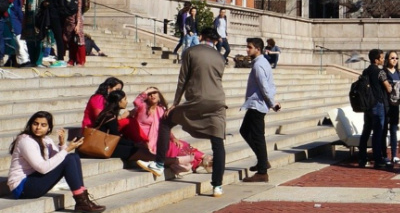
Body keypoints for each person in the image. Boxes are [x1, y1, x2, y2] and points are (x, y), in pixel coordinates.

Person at [138, 28, 228, 197]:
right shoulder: (220, 57)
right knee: (218, 142)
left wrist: (175, 103)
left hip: (197, 100)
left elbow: (183, 79)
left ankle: (158, 163)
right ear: (215, 40)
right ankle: (217, 185)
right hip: (217, 102)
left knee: (166, 121)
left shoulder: (191, 51)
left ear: (200, 36)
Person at [6, 111, 105, 212]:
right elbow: (43, 168)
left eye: (43, 125)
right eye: (35, 124)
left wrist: (62, 144)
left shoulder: (46, 139)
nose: (38, 127)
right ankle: (82, 201)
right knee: (69, 157)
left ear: (49, 128)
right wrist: (67, 149)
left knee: (73, 156)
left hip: (34, 179)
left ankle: (83, 200)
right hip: (22, 188)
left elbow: (58, 161)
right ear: (30, 124)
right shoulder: (25, 141)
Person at [241, 38, 280, 182]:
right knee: (245, 131)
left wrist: (272, 103)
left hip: (257, 104)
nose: (247, 49)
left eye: (249, 47)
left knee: (257, 136)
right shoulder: (262, 63)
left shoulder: (258, 66)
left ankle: (263, 171)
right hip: (256, 104)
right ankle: (263, 162)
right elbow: (270, 85)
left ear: (258, 49)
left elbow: (264, 86)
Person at [357, 48, 392, 171]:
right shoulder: (380, 72)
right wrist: (392, 87)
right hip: (378, 103)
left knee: (366, 131)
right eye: (382, 58)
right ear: (376, 60)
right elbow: (388, 88)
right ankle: (378, 158)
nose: (383, 60)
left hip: (367, 105)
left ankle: (362, 157)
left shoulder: (366, 71)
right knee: (378, 132)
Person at [87, 89, 142, 163]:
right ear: (119, 101)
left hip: (106, 143)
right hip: (105, 146)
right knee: (136, 149)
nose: (127, 102)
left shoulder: (108, 113)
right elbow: (116, 138)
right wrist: (134, 143)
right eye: (125, 99)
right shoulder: (110, 117)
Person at [61, 0, 86, 66]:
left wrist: (78, 24)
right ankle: (72, 59)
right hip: (68, 22)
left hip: (75, 21)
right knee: (70, 41)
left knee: (79, 41)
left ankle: (80, 60)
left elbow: (79, 11)